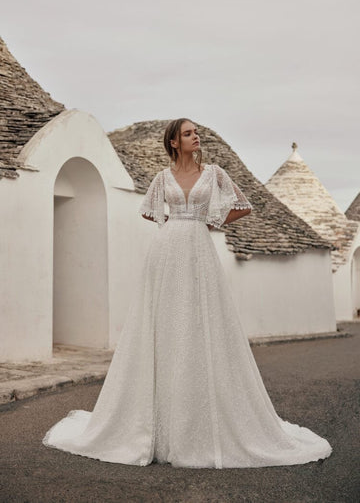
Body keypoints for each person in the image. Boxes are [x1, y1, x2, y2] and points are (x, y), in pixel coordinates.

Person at [43, 118, 332, 468]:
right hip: (166, 253)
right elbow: (150, 211)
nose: (197, 137)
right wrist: (174, 223)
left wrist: (209, 221)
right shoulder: (162, 179)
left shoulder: (214, 173)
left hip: (199, 249)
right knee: (164, 326)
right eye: (189, 133)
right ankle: (153, 424)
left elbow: (242, 206)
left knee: (199, 324)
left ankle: (200, 420)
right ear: (174, 142)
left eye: (197, 133)